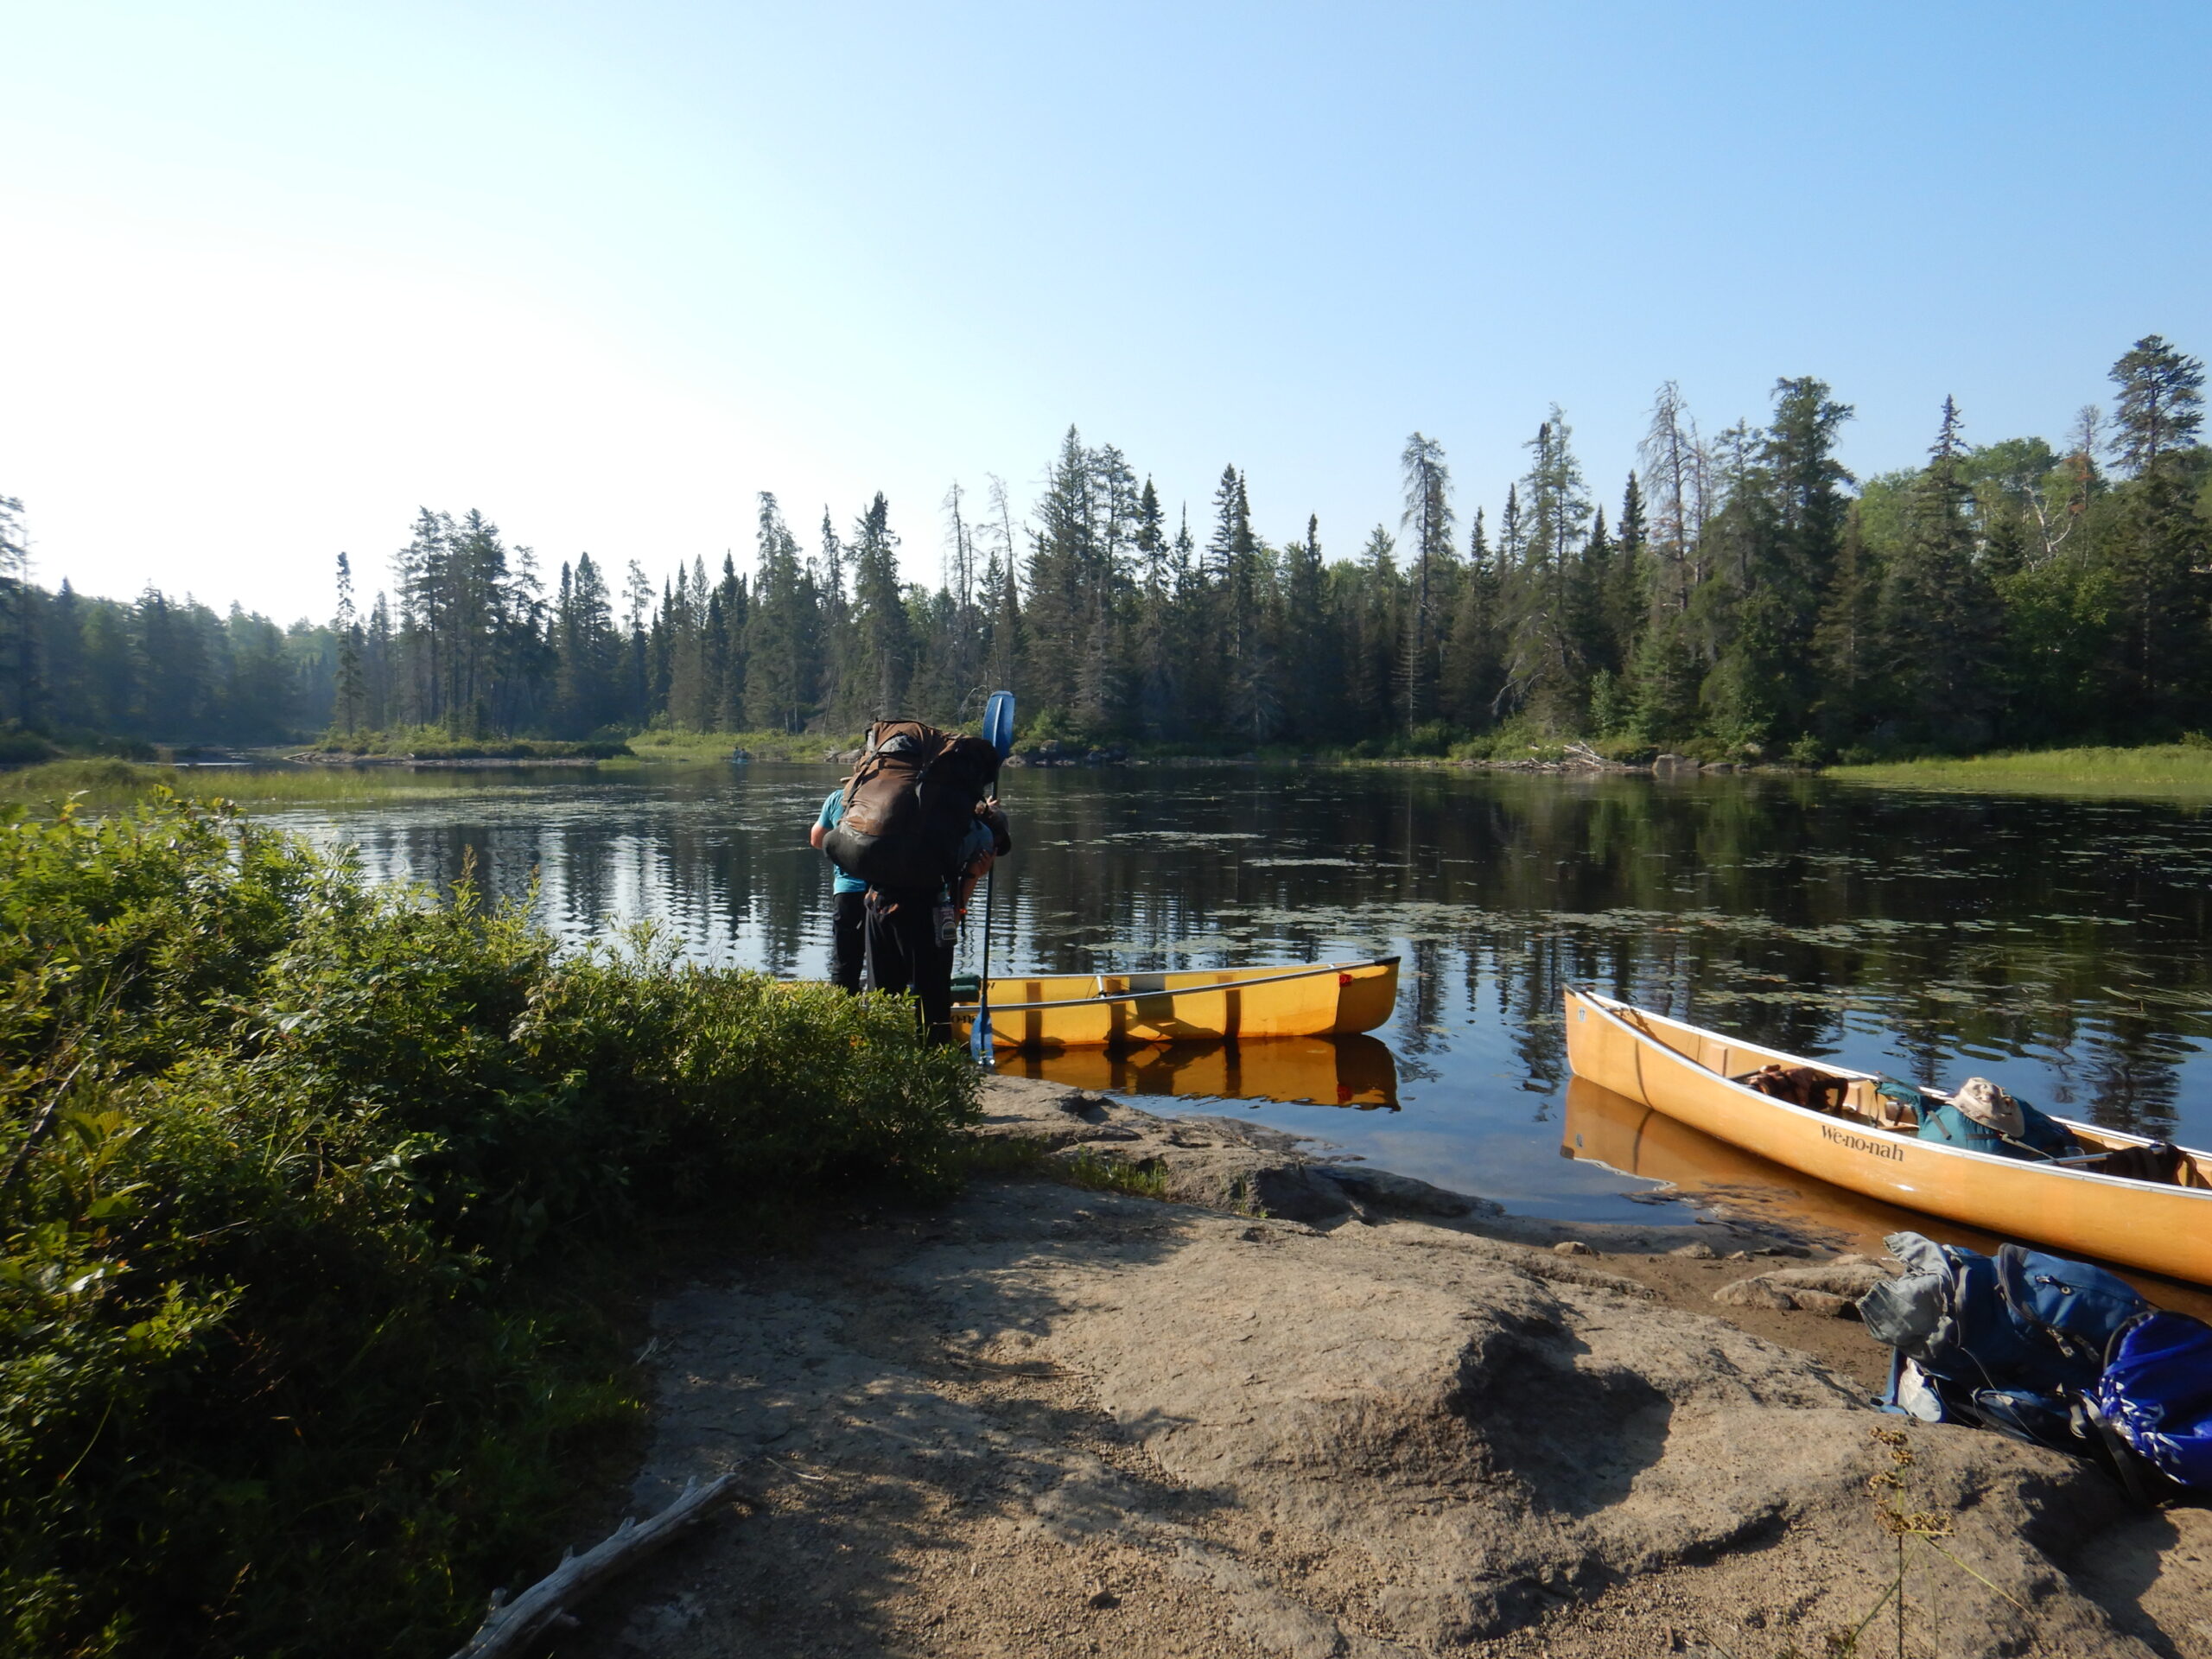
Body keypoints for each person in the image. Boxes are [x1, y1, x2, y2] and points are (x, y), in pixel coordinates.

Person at [863, 798, 1007, 1045]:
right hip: (924, 911)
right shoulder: (981, 835)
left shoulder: (919, 814)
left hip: (877, 902)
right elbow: (957, 906)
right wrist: (974, 875)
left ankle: (881, 1057)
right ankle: (933, 1061)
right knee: (932, 995)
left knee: (883, 991)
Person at [810, 787, 867, 991]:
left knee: (844, 960)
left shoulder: (839, 797)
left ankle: (843, 1013)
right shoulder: (904, 792)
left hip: (848, 891)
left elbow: (816, 840)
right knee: (888, 961)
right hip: (887, 892)